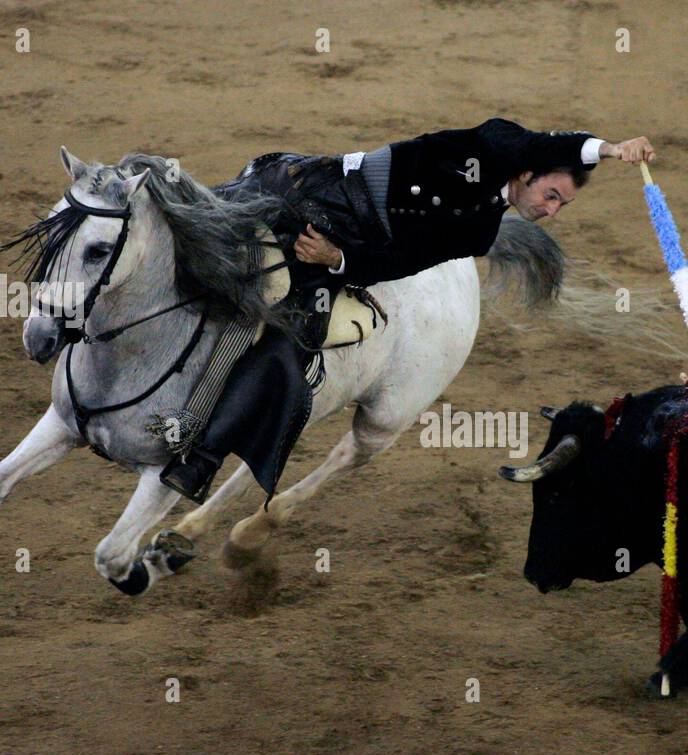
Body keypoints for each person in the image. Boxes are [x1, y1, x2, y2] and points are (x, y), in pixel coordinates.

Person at [159, 118, 656, 503]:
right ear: (528, 174)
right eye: (551, 195)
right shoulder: (497, 144)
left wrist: (339, 260)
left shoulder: (480, 232)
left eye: (561, 206)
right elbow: (547, 143)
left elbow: (404, 260)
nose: (551, 211)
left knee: (296, 330)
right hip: (318, 190)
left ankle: (202, 457)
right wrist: (609, 150)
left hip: (345, 239)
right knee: (195, 227)